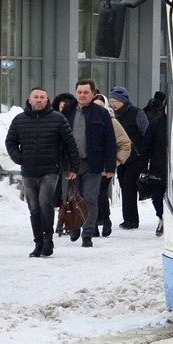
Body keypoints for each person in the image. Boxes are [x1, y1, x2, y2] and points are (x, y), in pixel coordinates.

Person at [5, 88, 80, 258]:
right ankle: (38, 243)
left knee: (45, 204)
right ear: (29, 100)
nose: (39, 100)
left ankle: (48, 240)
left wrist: (74, 167)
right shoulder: (19, 120)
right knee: (34, 208)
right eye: (36, 97)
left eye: (42, 97)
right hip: (29, 170)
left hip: (50, 170)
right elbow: (10, 142)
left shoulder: (58, 119)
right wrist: (20, 158)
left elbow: (70, 144)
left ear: (47, 100)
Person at [61, 79, 117, 247]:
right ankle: (74, 227)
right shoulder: (67, 111)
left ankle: (87, 234)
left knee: (90, 199)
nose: (82, 95)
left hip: (93, 163)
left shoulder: (101, 113)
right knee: (71, 198)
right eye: (80, 92)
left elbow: (110, 141)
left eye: (86, 92)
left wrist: (110, 166)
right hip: (70, 163)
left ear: (93, 94)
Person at [109, 86, 149, 230]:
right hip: (121, 157)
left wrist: (146, 154)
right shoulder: (113, 116)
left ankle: (132, 219)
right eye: (111, 101)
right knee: (124, 186)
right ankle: (128, 218)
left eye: (116, 101)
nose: (113, 104)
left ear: (123, 100)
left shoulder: (136, 113)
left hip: (135, 157)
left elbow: (146, 133)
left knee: (129, 185)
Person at [94, 92, 132, 237]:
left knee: (101, 193)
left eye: (100, 106)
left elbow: (125, 143)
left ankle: (105, 218)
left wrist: (117, 160)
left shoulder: (111, 121)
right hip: (88, 165)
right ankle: (94, 222)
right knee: (91, 195)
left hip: (105, 166)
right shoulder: (84, 119)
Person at [143, 98, 169, 236]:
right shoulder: (155, 125)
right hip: (158, 166)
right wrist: (143, 168)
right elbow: (146, 146)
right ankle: (162, 217)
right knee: (157, 196)